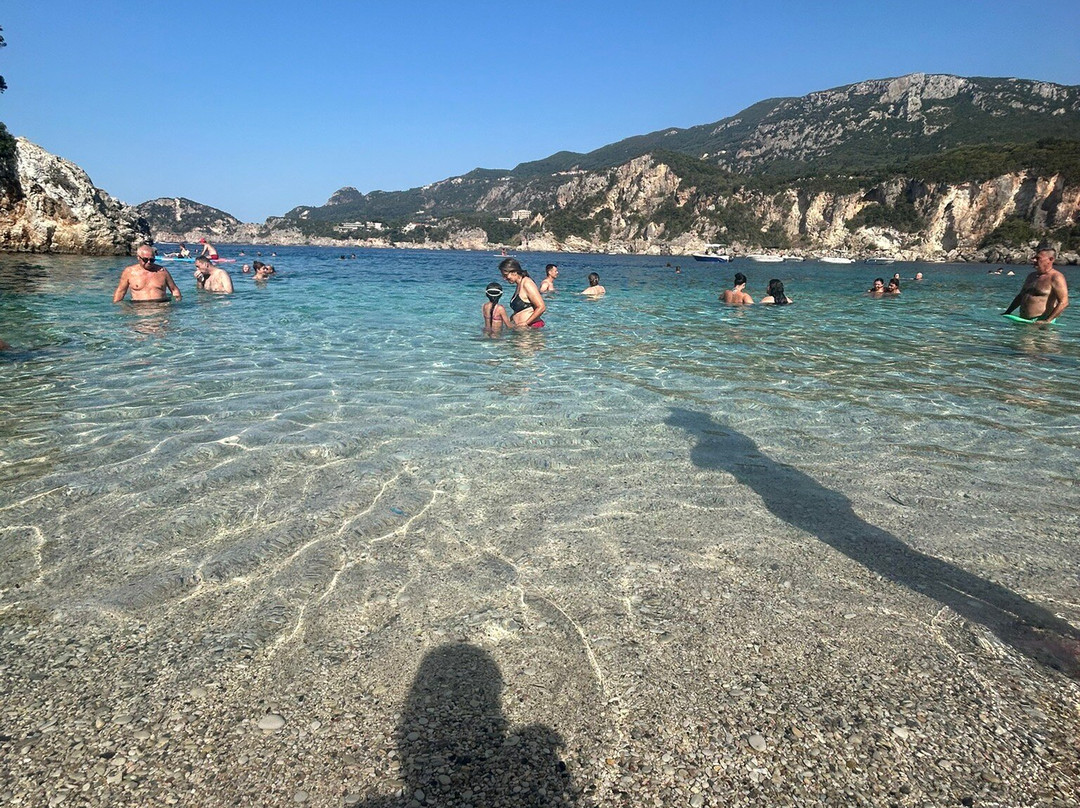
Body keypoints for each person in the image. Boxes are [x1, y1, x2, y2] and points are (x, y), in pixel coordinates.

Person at [1003, 241, 1069, 322]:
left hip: (1040, 325)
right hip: (1023, 321)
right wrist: (1007, 312)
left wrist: (1047, 321)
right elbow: (1020, 296)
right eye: (1034, 258)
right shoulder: (1032, 276)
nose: (1034, 260)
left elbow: (1064, 302)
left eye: (1038, 258)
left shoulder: (1056, 277)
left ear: (1050, 259)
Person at [113, 245, 181, 303]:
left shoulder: (162, 271)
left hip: (161, 307)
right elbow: (121, 292)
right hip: (139, 309)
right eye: (145, 260)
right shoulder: (129, 272)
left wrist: (177, 304)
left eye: (152, 260)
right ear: (138, 257)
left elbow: (174, 290)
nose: (149, 262)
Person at [499, 258, 546, 328]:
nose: (504, 278)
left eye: (505, 275)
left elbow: (541, 307)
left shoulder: (527, 283)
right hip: (522, 329)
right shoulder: (519, 284)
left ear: (514, 272)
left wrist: (526, 323)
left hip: (530, 328)